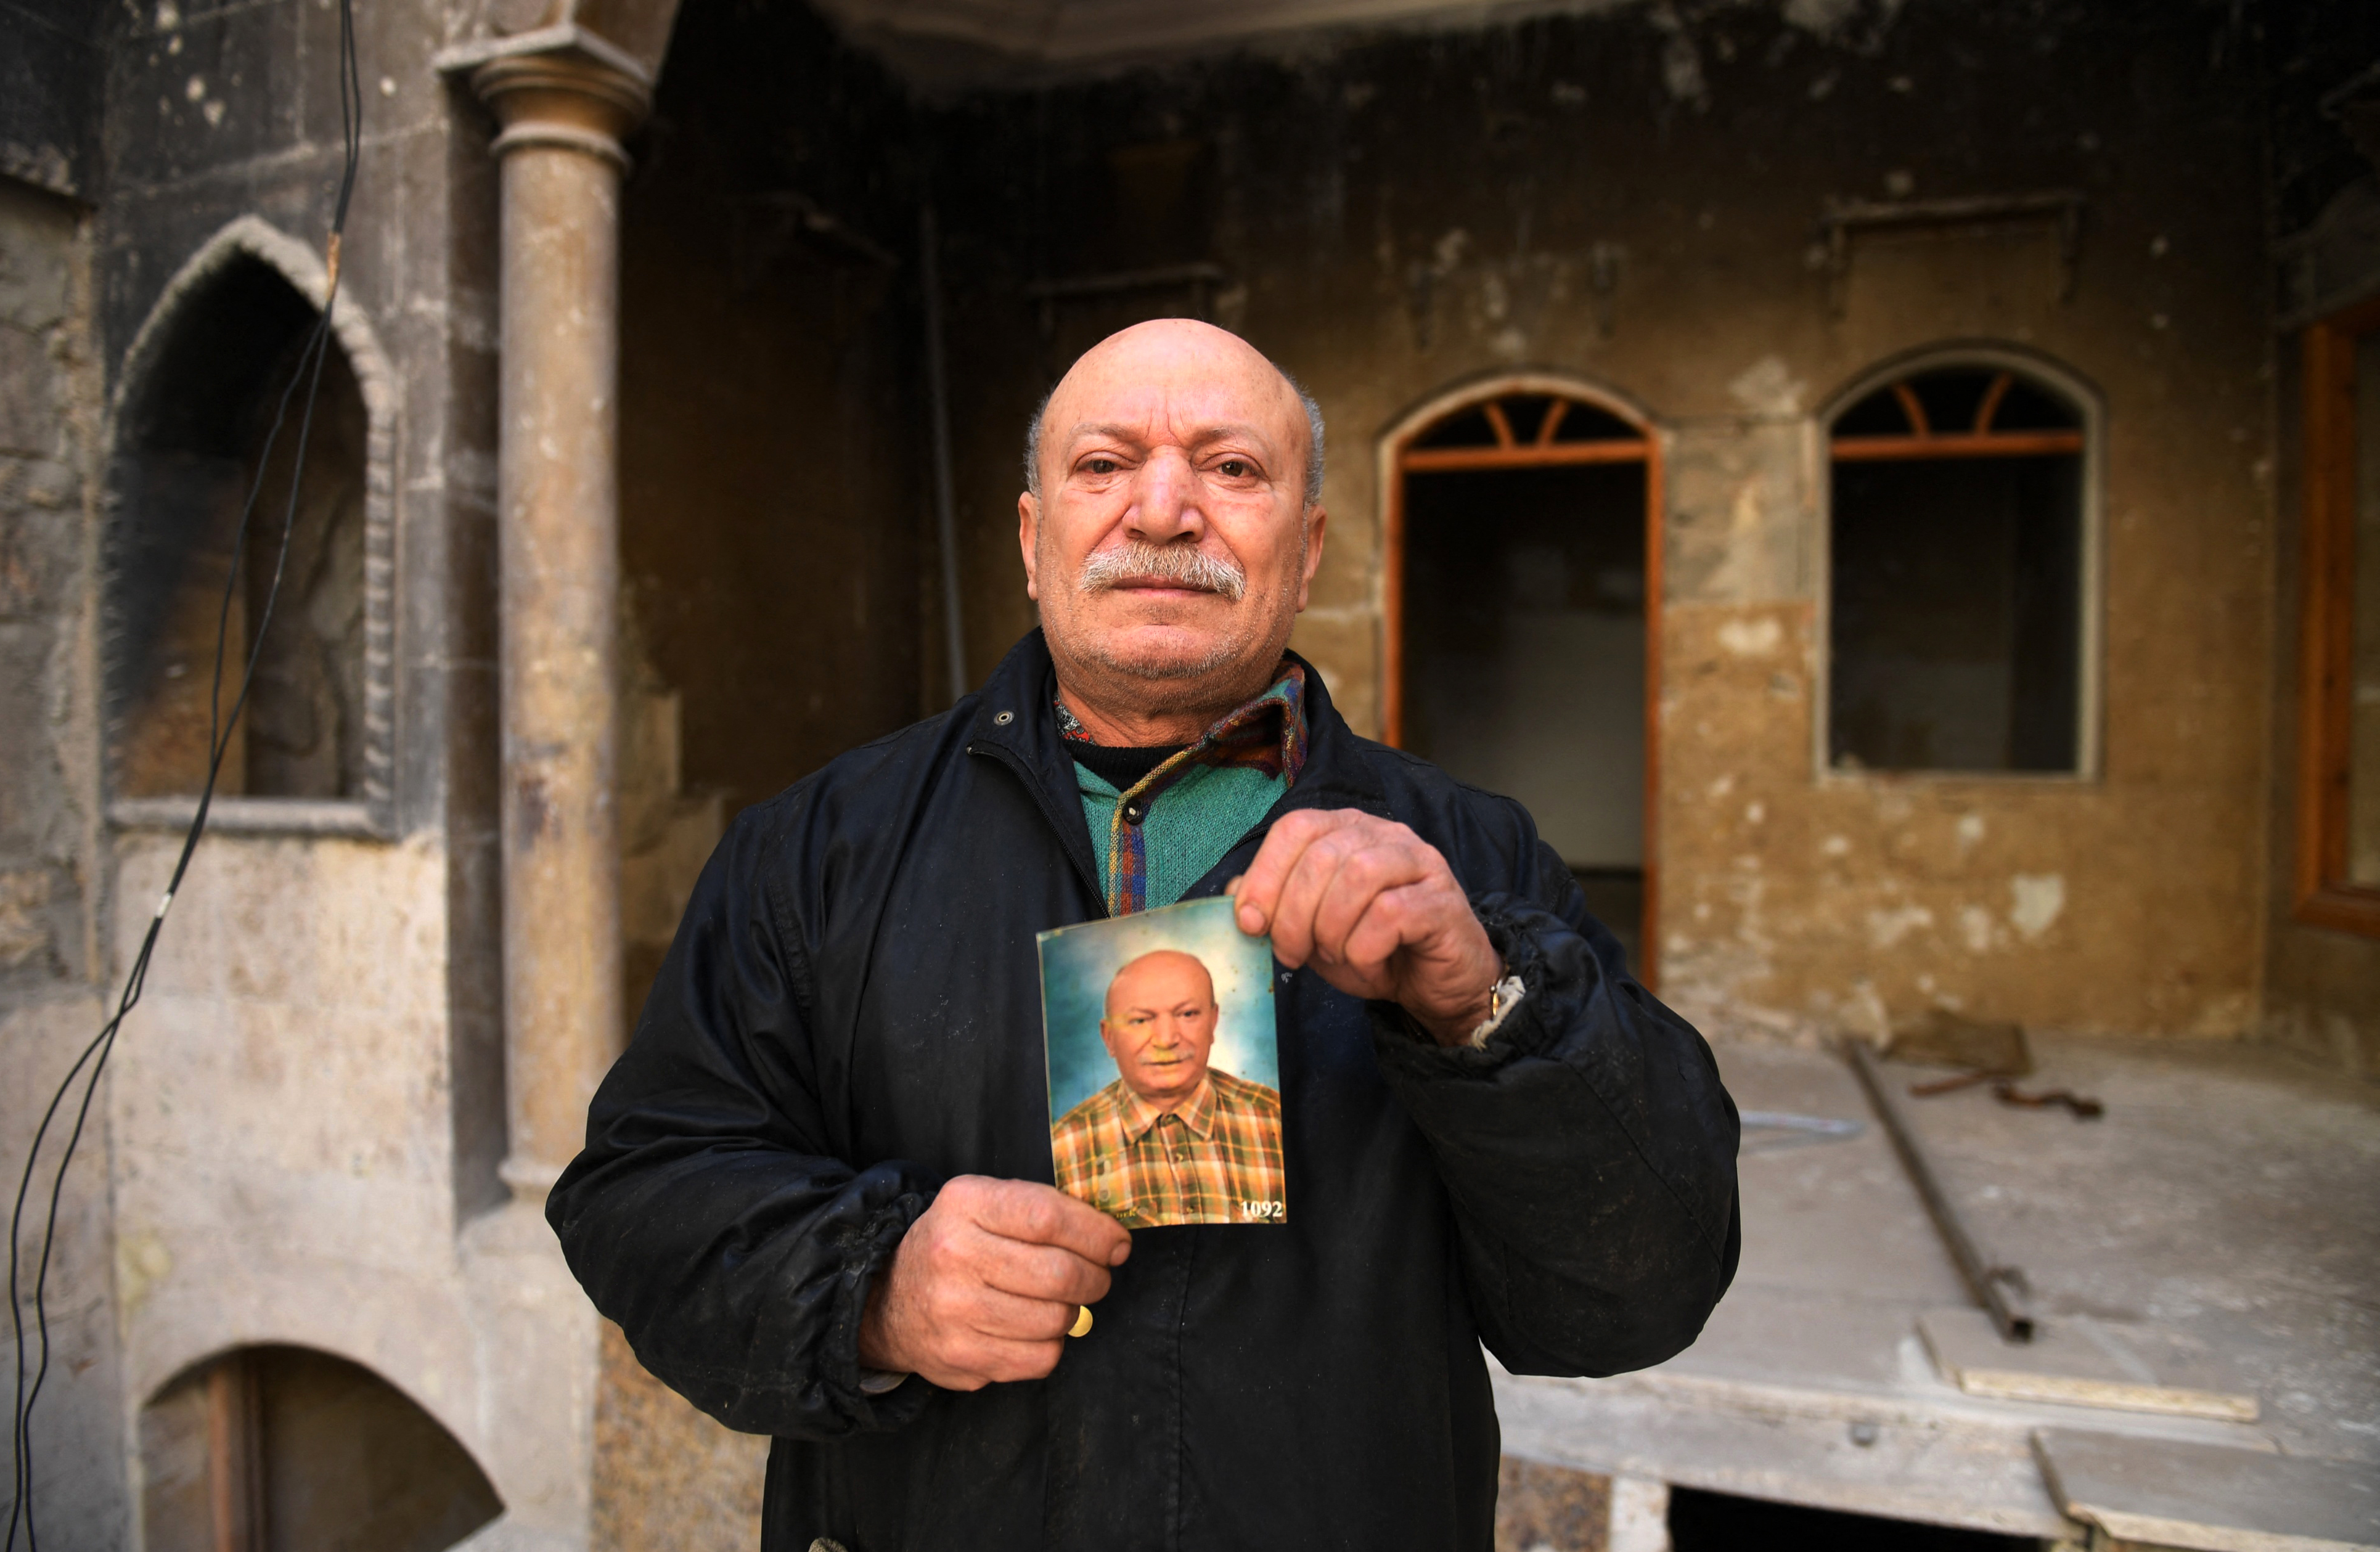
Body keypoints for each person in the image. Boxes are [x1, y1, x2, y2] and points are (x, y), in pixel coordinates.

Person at [547, 317, 1741, 1552]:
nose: (1163, 511)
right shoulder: (817, 850)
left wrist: (1484, 1009)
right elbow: (639, 1196)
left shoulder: (1468, 864)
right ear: (1031, 539)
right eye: (1103, 464)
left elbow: (1638, 1291)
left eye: (1230, 468)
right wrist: (872, 1289)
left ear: (1307, 549)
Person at [1049, 948, 1286, 1227]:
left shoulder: (1276, 1117)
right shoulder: (1063, 1149)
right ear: (1109, 1037)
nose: (1166, 1040)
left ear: (1213, 1022)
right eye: (1140, 1020)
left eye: (1187, 1014)